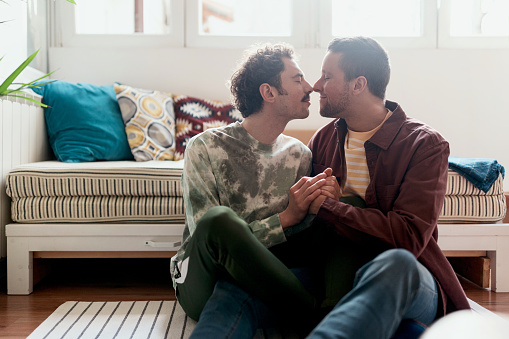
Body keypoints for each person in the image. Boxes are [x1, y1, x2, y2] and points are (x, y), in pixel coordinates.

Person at [304, 36, 471, 338]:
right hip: (340, 273)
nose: (316, 85)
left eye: (327, 77)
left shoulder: (425, 145)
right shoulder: (323, 140)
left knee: (397, 264)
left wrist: (330, 207)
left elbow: (408, 237)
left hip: (408, 277)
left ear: (358, 85)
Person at [170, 43, 340, 337]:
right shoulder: (206, 146)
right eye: (297, 79)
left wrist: (325, 207)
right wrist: (286, 217)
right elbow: (207, 236)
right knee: (219, 220)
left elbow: (301, 239)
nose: (311, 86)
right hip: (203, 279)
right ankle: (317, 319)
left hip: (267, 276)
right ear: (269, 93)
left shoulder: (300, 155)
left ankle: (326, 309)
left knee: (349, 207)